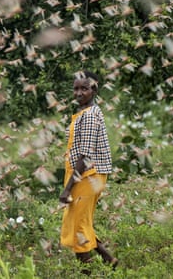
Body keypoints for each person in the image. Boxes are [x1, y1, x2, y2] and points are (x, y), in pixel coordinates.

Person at [59, 70, 118, 274]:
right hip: (83, 175)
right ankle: (110, 261)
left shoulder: (91, 116)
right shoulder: (83, 113)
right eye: (76, 88)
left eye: (84, 88)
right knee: (82, 223)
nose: (79, 93)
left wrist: (67, 189)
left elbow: (85, 156)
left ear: (94, 89)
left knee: (77, 229)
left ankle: (88, 274)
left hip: (88, 176)